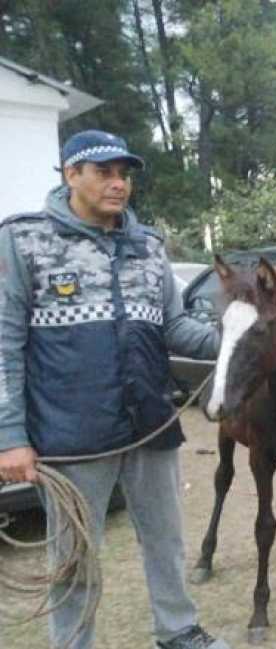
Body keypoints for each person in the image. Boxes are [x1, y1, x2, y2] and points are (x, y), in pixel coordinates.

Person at [0, 130, 228, 649]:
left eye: (124, 174)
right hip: (70, 435)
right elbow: (3, 344)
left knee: (166, 542)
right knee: (75, 559)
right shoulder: (23, 239)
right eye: (103, 172)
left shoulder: (148, 244)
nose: (118, 184)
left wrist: (233, 336)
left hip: (150, 423)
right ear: (70, 174)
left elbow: (171, 326)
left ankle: (178, 632)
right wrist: (10, 436)